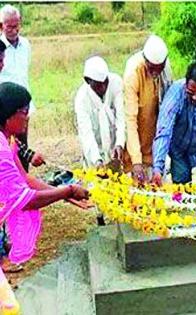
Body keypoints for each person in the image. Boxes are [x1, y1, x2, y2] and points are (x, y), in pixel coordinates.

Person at [0, 82, 90, 266]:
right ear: (8, 115)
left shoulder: (8, 140)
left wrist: (66, 195)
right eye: (24, 112)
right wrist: (67, 191)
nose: (27, 117)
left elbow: (25, 179)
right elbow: (24, 200)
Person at [124, 35, 172, 184]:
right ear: (145, 61)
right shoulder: (133, 73)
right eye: (152, 68)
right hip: (138, 140)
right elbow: (130, 120)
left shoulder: (166, 69)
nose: (156, 73)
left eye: (160, 68)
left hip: (156, 140)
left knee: (158, 191)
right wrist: (136, 161)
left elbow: (169, 107)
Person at [74, 55, 125, 169]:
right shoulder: (82, 99)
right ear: (87, 80)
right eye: (98, 85)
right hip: (95, 150)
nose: (103, 88)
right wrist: (97, 160)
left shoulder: (116, 83)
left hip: (115, 148)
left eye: (105, 82)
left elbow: (121, 118)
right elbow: (87, 133)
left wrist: (120, 143)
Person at [0, 5, 34, 172]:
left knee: (22, 149)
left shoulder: (26, 45)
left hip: (22, 106)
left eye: (16, 25)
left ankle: (23, 185)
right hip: (4, 108)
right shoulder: (0, 49)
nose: (13, 30)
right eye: (9, 26)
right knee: (5, 149)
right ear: (1, 26)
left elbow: (24, 74)